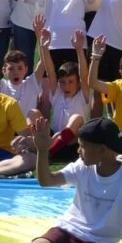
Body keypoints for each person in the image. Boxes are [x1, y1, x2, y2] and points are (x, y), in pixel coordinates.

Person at [0, 116, 122, 243]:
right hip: (67, 233)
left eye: (82, 146)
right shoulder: (82, 167)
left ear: (102, 150)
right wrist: (42, 150)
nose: (78, 151)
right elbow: (46, 180)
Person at [35, 28, 90, 161]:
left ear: (78, 83)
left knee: (76, 118)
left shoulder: (83, 96)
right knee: (33, 113)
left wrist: (79, 49)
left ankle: (47, 153)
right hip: (54, 138)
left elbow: (83, 75)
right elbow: (50, 72)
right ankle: (31, 147)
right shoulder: (58, 93)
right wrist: (44, 48)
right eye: (63, 82)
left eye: (71, 82)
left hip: (73, 143)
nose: (66, 86)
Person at [0, 45, 43, 122]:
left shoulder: (31, 84)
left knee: (34, 113)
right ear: (4, 70)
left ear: (26, 69)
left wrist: (40, 40)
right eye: (11, 69)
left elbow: (43, 62)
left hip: (27, 130)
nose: (16, 72)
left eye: (20, 68)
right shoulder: (2, 85)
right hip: (8, 131)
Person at [0, 84, 33, 177]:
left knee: (32, 159)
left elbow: (27, 138)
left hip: (4, 156)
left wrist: (23, 143)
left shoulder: (9, 104)